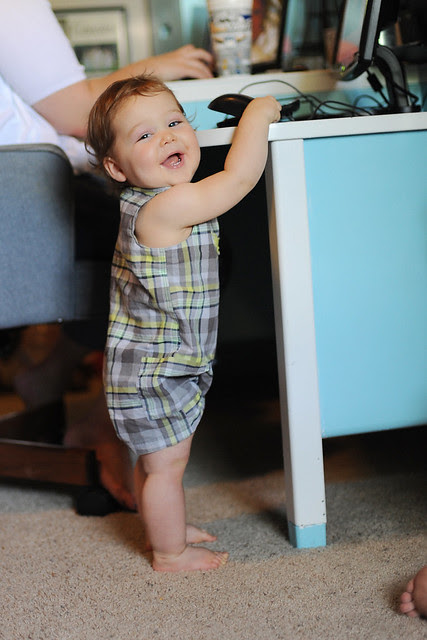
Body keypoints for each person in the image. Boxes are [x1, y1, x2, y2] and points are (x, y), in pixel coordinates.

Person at [0, 0, 214, 511]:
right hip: (22, 203)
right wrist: (159, 69)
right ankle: (104, 424)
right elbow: (79, 114)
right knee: (189, 250)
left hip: (19, 199)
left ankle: (52, 374)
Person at [86, 74, 281, 571]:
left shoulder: (148, 202)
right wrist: (258, 113)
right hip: (156, 370)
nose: (167, 137)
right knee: (166, 468)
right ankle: (169, 552)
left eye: (174, 123)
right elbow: (238, 178)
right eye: (145, 135)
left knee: (157, 463)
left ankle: (162, 524)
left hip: (147, 363)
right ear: (117, 167)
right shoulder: (166, 207)